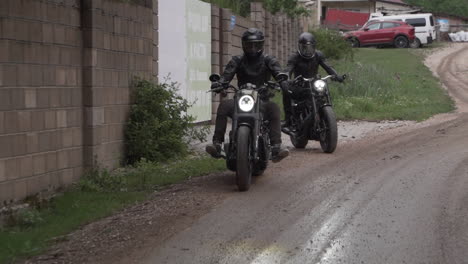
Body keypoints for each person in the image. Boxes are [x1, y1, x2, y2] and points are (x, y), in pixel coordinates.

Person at [206, 28, 289, 162]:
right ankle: (217, 144)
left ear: (261, 45)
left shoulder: (269, 60)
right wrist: (220, 83)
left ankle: (276, 147)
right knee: (223, 106)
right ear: (243, 45)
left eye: (256, 45)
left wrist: (283, 81)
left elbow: (278, 72)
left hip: (262, 99)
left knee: (274, 109)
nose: (252, 48)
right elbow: (226, 75)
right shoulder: (237, 60)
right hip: (241, 99)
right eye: (249, 45)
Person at [283, 32, 344, 128]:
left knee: (323, 92)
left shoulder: (318, 55)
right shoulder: (294, 57)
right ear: (300, 47)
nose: (308, 51)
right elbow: (288, 69)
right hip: (299, 84)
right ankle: (288, 120)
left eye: (310, 47)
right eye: (305, 48)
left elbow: (328, 67)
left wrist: (336, 76)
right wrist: (286, 78)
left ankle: (327, 117)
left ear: (314, 47)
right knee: (287, 92)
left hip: (314, 83)